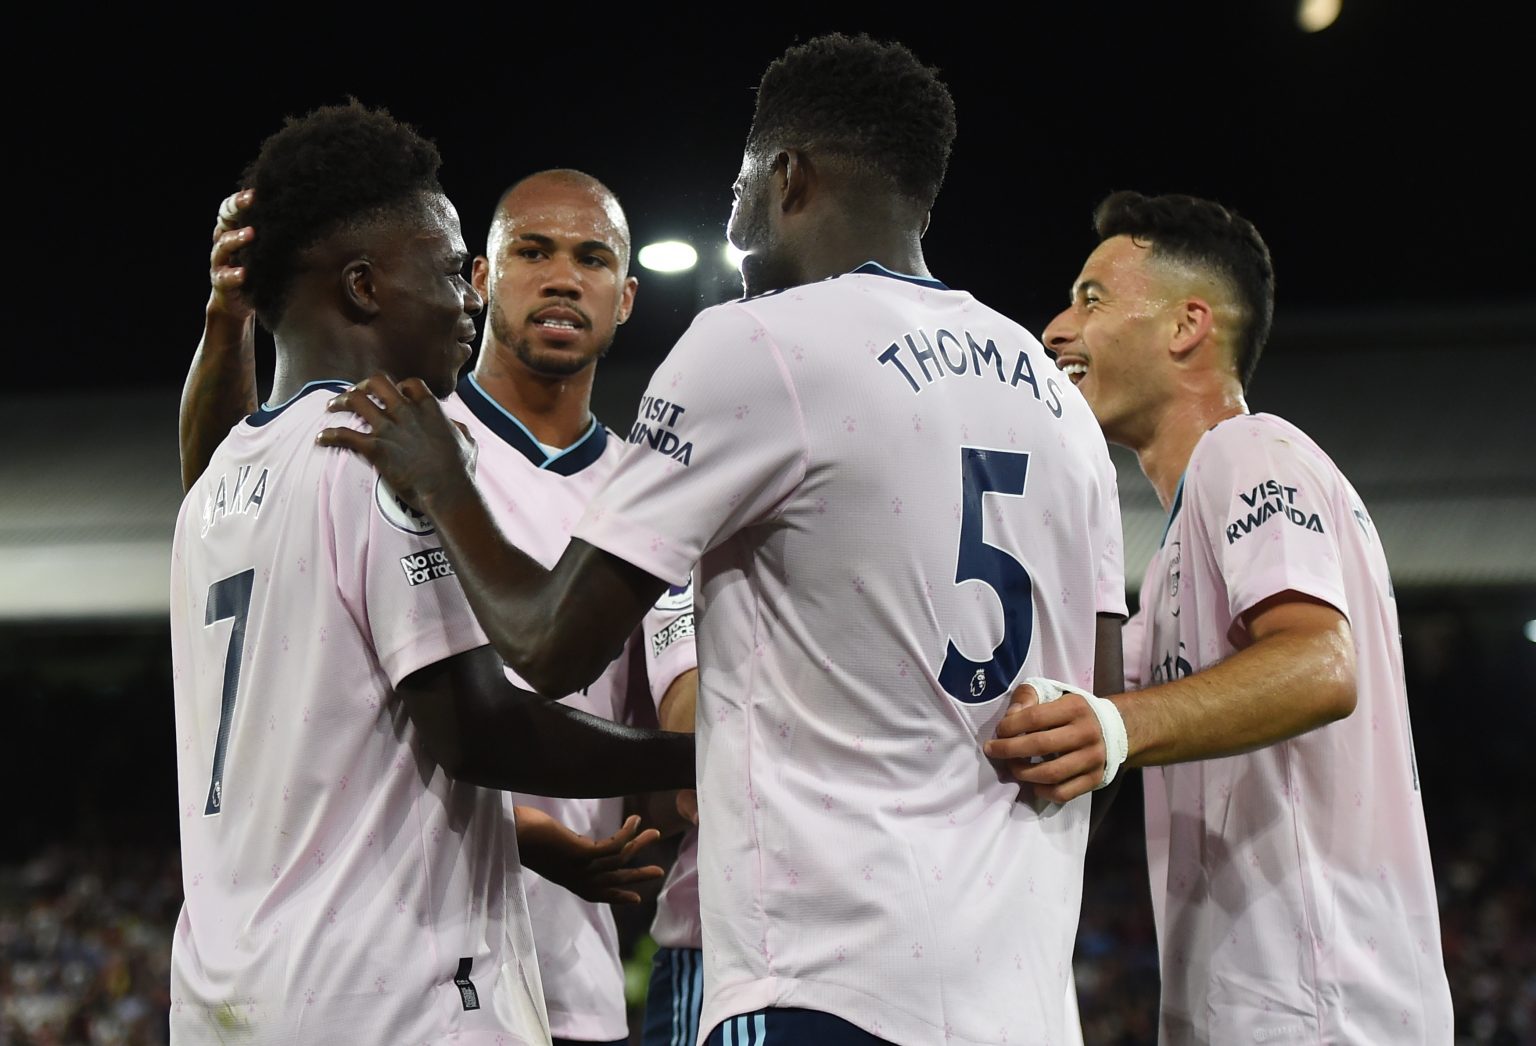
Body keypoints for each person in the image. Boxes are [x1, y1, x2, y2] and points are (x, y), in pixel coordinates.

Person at [319, 33, 1128, 1046]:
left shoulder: (758, 344)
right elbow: (1098, 717)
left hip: (828, 980)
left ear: (786, 177)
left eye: (740, 183)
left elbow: (549, 644)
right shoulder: (1056, 399)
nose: (733, 211)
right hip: (1023, 999)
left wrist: (444, 483)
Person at [168, 99, 695, 1046]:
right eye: (454, 271)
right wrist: (721, 754)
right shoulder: (388, 451)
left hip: (226, 992)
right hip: (389, 992)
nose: (467, 300)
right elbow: (483, 729)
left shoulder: (215, 485)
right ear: (365, 287)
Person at [988, 190, 1454, 1043]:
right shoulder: (1178, 550)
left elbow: (1320, 667)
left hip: (1320, 1014)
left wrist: (1113, 727)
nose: (1056, 329)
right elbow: (1088, 706)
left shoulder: (1249, 451)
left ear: (1186, 326)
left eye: (1091, 299)